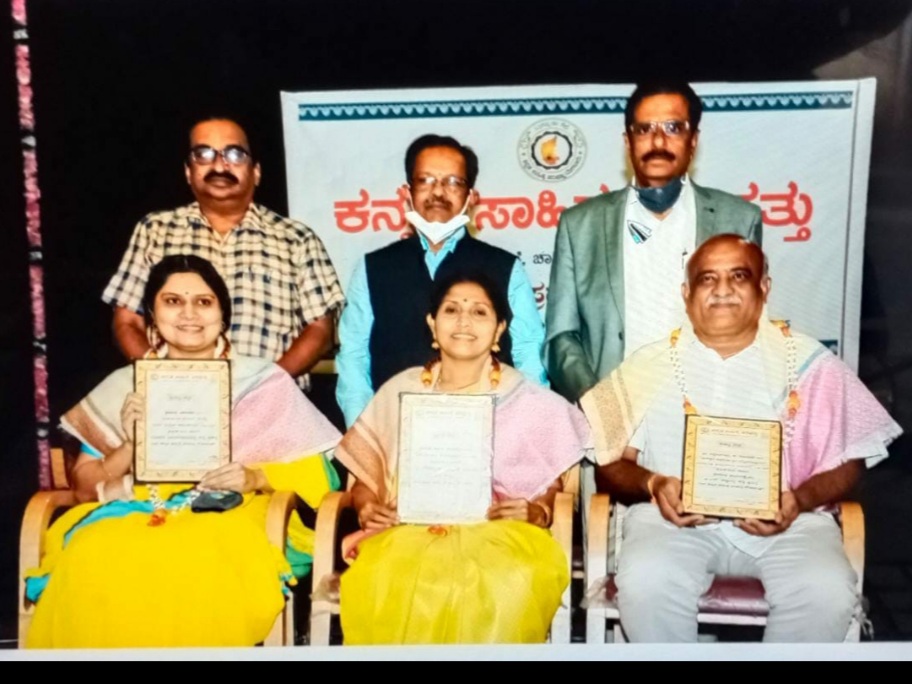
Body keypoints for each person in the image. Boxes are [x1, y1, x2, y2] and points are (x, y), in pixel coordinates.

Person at [580, 234, 902, 642]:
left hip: (791, 524)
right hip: (671, 524)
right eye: (707, 279)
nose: (722, 290)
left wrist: (799, 500)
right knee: (647, 580)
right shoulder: (648, 363)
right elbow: (609, 464)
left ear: (764, 288)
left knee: (825, 590)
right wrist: (654, 484)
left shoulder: (811, 363)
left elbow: (851, 465)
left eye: (739, 276)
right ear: (686, 293)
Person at [25, 255, 342, 648]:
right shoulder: (126, 385)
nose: (189, 313)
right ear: (151, 317)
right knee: (92, 552)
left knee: (195, 555)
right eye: (173, 301)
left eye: (203, 302)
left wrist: (256, 477)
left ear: (223, 316)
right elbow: (85, 487)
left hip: (233, 514)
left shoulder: (262, 381)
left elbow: (321, 474)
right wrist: (132, 445)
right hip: (135, 510)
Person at [334, 272, 590, 644]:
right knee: (399, 579)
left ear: (499, 329)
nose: (464, 321)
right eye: (452, 310)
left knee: (501, 582)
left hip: (500, 536)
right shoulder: (401, 389)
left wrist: (539, 512)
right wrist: (366, 505)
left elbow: (551, 489)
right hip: (407, 532)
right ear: (432, 324)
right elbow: (364, 480)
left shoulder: (529, 400)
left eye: (479, 312)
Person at [546, 81, 763, 404]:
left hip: (708, 412)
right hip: (615, 415)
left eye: (673, 128)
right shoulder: (580, 224)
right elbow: (561, 337)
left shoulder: (740, 219)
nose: (658, 141)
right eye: (645, 129)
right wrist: (600, 405)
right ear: (628, 141)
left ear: (693, 140)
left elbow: (751, 327)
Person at [103, 117, 344, 387]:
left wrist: (264, 387)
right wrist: (163, 377)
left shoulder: (296, 239)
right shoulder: (155, 231)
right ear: (188, 171)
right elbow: (127, 322)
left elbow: (320, 330)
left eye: (234, 154)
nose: (219, 166)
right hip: (172, 400)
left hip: (272, 401)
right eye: (204, 154)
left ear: (256, 172)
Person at [335, 134, 548, 428]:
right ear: (407, 192)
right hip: (392, 432)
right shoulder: (372, 268)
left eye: (452, 182)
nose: (438, 192)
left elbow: (529, 355)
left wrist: (526, 429)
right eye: (425, 180)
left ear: (471, 197)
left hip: (489, 433)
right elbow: (354, 357)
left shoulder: (506, 267)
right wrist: (364, 435)